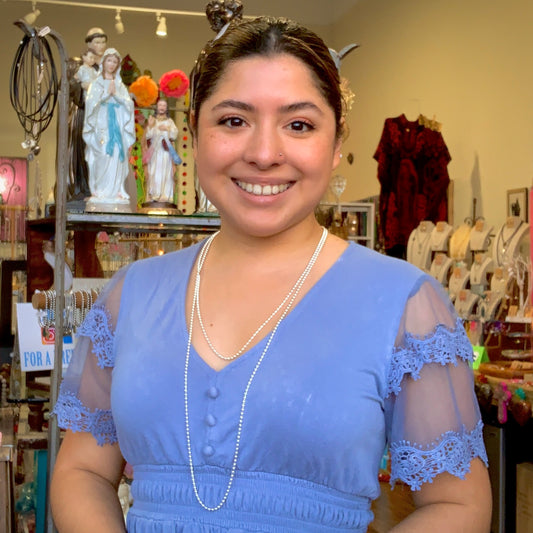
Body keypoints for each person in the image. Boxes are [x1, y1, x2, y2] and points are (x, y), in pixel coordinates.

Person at [50, 7, 492, 533]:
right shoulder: (132, 295)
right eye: (233, 120)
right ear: (194, 133)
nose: (263, 152)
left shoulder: (403, 304)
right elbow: (81, 470)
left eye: (299, 124)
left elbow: (458, 506)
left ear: (335, 145)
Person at [82, 48, 135, 210]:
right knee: (103, 153)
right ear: (103, 62)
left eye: (114, 61)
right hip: (102, 126)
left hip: (116, 128)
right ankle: (100, 190)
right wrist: (106, 95)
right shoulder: (96, 84)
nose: (111, 64)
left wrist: (116, 95)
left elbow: (128, 104)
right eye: (109, 60)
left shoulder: (119, 85)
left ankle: (116, 190)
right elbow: (91, 104)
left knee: (117, 155)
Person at [143, 98, 181, 205]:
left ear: (166, 108)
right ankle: (153, 194)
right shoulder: (153, 121)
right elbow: (148, 136)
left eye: (164, 106)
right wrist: (150, 126)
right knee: (154, 172)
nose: (162, 108)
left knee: (166, 173)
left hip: (165, 153)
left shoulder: (170, 122)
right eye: (160, 105)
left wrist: (167, 129)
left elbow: (175, 134)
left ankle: (165, 195)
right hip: (155, 152)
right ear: (157, 107)